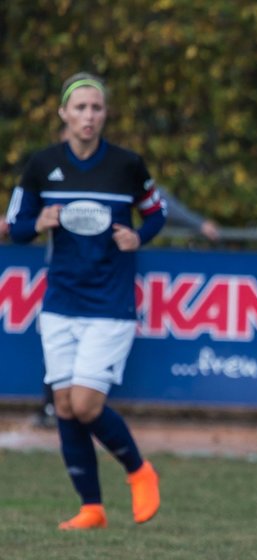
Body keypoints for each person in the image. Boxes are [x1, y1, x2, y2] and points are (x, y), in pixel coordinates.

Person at [6, 72, 166, 530]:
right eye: (80, 108)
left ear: (105, 114)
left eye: (96, 108)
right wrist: (39, 222)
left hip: (109, 304)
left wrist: (140, 235)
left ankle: (139, 470)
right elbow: (16, 226)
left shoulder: (126, 165)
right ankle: (91, 508)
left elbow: (157, 211)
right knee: (65, 405)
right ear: (63, 114)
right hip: (60, 303)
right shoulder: (42, 165)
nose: (88, 116)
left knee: (86, 404)